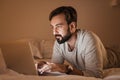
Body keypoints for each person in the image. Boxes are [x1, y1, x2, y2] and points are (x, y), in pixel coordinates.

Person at [37, 6, 120, 78]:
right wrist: (45, 65)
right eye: (52, 27)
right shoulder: (59, 42)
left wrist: (66, 68)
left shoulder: (89, 38)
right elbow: (55, 67)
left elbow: (96, 75)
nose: (54, 32)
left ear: (72, 26)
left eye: (59, 26)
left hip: (116, 57)